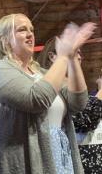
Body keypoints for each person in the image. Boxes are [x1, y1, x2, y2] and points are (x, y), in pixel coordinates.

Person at [0, 13, 96, 174]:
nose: (30, 34)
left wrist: (72, 59)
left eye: (31, 30)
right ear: (4, 38)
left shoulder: (41, 73)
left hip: (60, 156)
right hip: (25, 162)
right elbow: (36, 99)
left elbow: (78, 102)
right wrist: (62, 56)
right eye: (22, 30)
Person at [38, 37, 102, 174]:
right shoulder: (49, 87)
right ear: (52, 56)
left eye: (79, 53)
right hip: (70, 155)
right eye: (72, 53)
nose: (78, 57)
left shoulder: (76, 89)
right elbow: (84, 120)